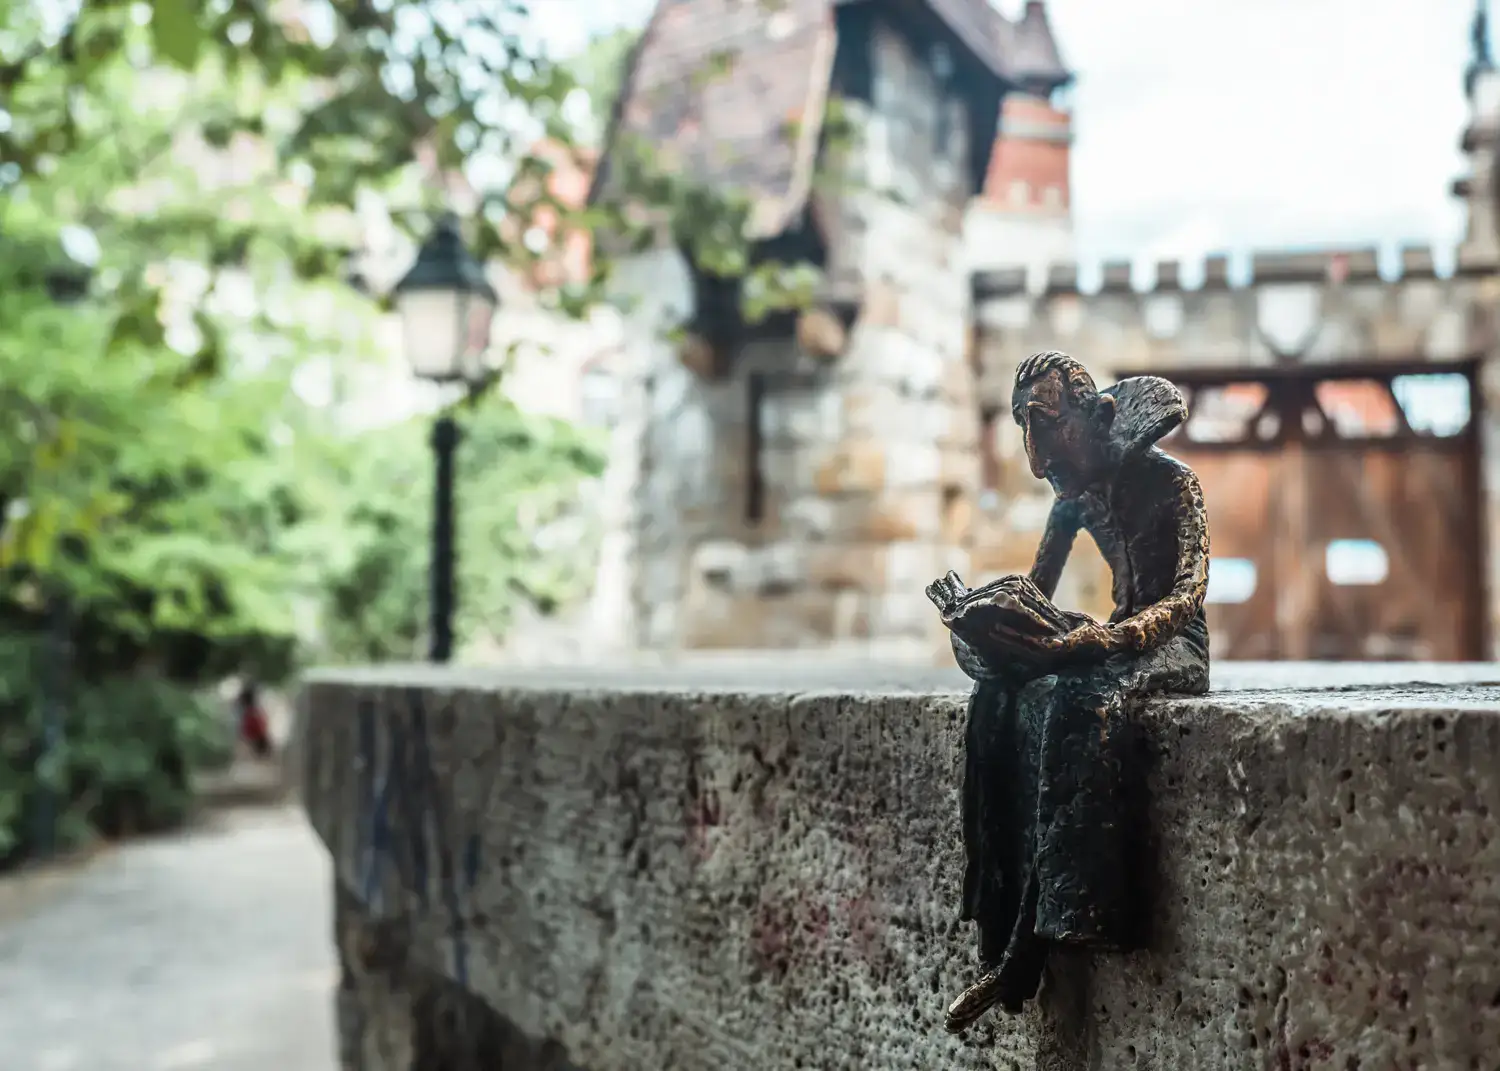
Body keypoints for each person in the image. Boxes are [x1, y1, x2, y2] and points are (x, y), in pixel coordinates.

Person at [926, 352, 1211, 1031]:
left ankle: (1049, 931)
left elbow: (1188, 592)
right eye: (1028, 431)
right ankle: (995, 925)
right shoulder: (1074, 500)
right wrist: (985, 629)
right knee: (995, 699)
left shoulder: (1175, 486)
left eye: (1049, 427)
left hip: (1170, 645)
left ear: (1097, 417)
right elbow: (1034, 592)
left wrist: (1106, 641)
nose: (1038, 458)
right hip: (1112, 639)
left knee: (1083, 701)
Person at [236, 680, 273, 759]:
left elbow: (260, 717)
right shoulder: (252, 735)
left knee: (253, 687)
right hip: (247, 708)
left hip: (250, 708)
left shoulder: (261, 731)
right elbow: (243, 725)